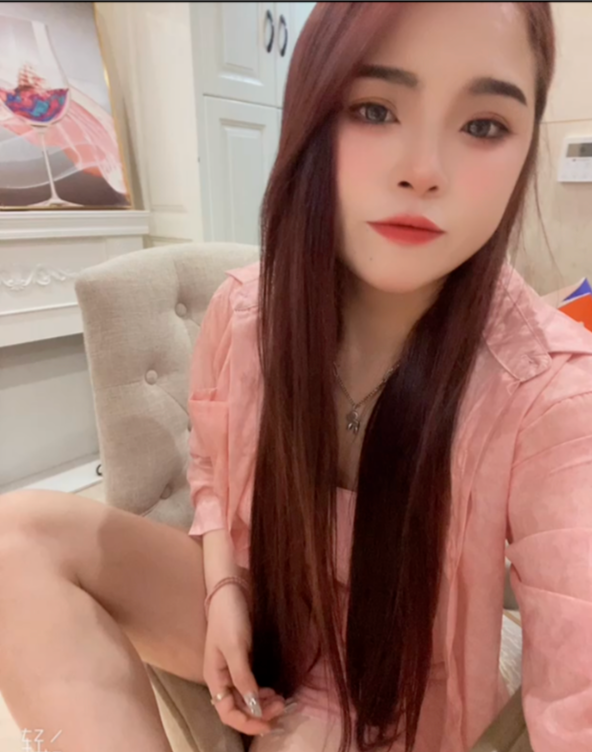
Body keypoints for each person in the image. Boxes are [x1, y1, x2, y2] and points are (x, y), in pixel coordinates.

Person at [1, 2, 591, 751]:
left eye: (483, 125)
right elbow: (211, 471)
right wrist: (223, 588)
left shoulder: (551, 394)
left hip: (405, 687)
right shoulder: (247, 313)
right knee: (16, 540)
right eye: (375, 109)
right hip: (270, 617)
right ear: (311, 115)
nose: (423, 171)